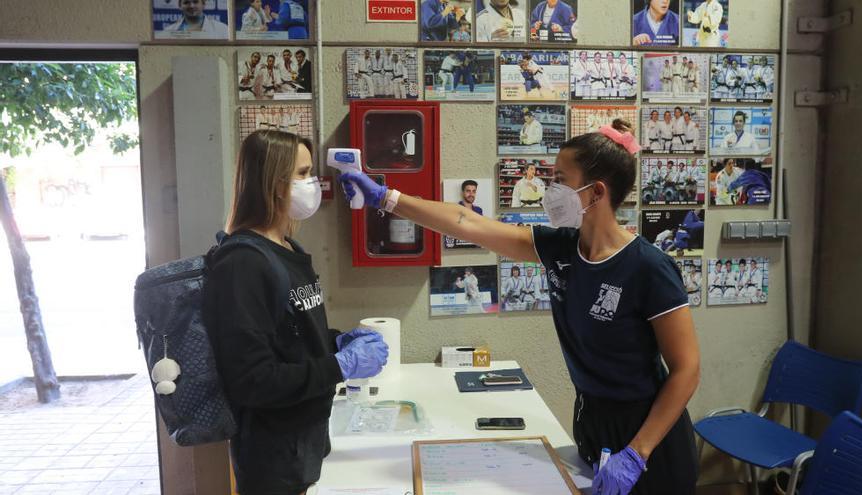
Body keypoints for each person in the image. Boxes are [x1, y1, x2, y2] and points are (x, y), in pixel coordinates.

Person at [339, 119, 700, 494]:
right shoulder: (561, 248)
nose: (550, 190)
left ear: (596, 192)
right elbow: (467, 222)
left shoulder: (648, 267)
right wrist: (386, 198)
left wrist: (638, 452)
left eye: (560, 179)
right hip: (592, 418)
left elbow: (687, 369)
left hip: (648, 433)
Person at [207, 131, 389, 495]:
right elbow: (252, 381)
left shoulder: (286, 247)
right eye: (304, 174)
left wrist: (337, 341)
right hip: (271, 460)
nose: (313, 183)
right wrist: (341, 365)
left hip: (303, 444)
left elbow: (290, 336)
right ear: (275, 185)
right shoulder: (241, 264)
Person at [163, 0, 229, 37]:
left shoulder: (222, 29)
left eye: (195, 1)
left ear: (203, 4)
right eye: (186, 2)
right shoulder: (168, 32)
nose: (191, 6)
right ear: (180, 6)